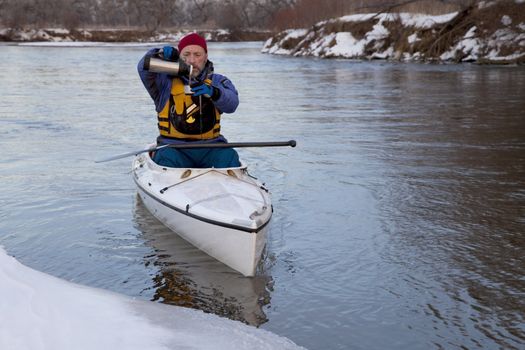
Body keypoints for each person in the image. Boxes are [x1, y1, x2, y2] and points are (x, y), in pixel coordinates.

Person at [137, 32, 241, 168]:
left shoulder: (218, 81)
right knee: (166, 158)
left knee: (229, 156)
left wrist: (214, 93)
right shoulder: (163, 82)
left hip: (212, 148)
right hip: (173, 149)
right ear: (179, 57)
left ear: (206, 57)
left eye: (197, 55)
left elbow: (232, 105)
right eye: (186, 55)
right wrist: (159, 53)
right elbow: (142, 68)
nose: (192, 60)